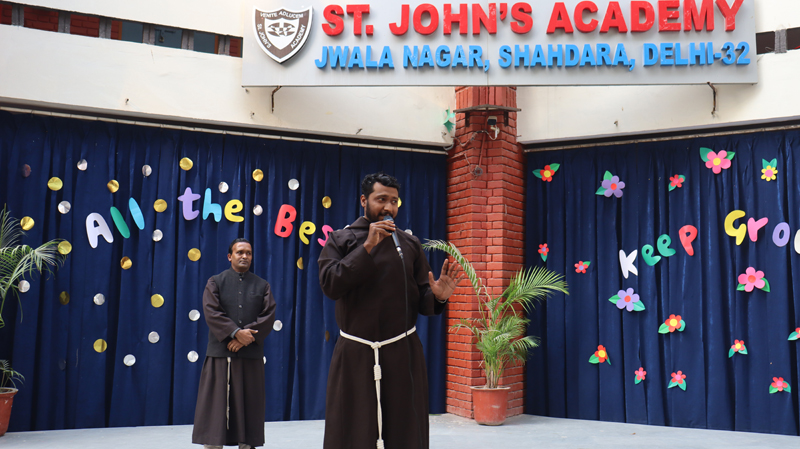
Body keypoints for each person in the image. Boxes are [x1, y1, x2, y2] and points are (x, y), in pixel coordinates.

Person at [318, 172, 461, 449]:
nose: (388, 207)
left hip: (402, 351)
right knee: (353, 428)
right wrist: (368, 246)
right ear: (364, 200)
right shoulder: (340, 239)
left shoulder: (409, 244)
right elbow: (330, 285)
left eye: (394, 201)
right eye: (381, 199)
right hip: (356, 352)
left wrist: (438, 297)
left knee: (404, 428)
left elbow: (422, 299)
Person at [192, 238, 277, 449]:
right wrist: (236, 333)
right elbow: (211, 312)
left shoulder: (262, 285)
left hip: (250, 356)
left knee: (250, 406)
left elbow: (268, 315)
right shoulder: (215, 282)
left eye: (248, 253)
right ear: (230, 256)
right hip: (220, 354)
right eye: (240, 252)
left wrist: (245, 339)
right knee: (215, 407)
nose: (245, 256)